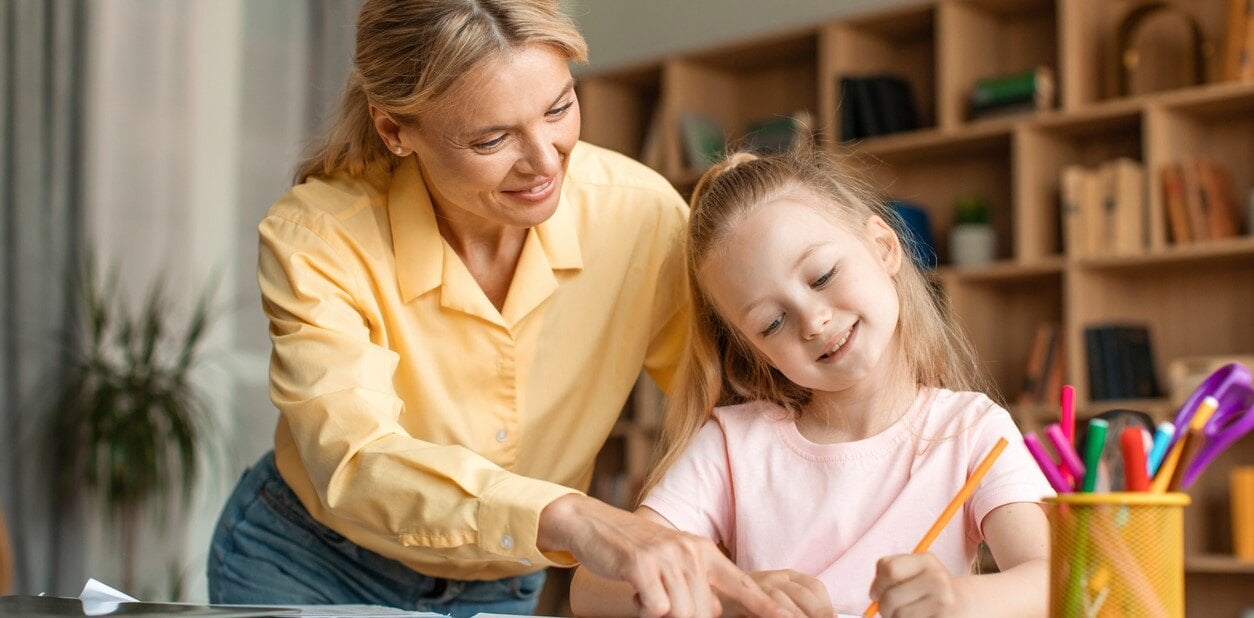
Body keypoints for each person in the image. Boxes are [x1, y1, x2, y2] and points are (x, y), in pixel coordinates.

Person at [206, 2, 797, 617]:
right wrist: (570, 516)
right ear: (394, 132)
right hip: (308, 564)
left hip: (503, 582)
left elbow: (730, 408)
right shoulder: (321, 236)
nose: (546, 161)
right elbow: (355, 458)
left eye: (560, 108)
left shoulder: (642, 217)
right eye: (492, 138)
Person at [570, 148, 1054, 618]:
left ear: (884, 248)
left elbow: (1055, 578)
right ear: (755, 350)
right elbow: (591, 589)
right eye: (771, 323)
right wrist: (733, 593)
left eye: (822, 276)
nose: (814, 322)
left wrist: (961, 601)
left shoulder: (971, 431)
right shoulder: (732, 445)